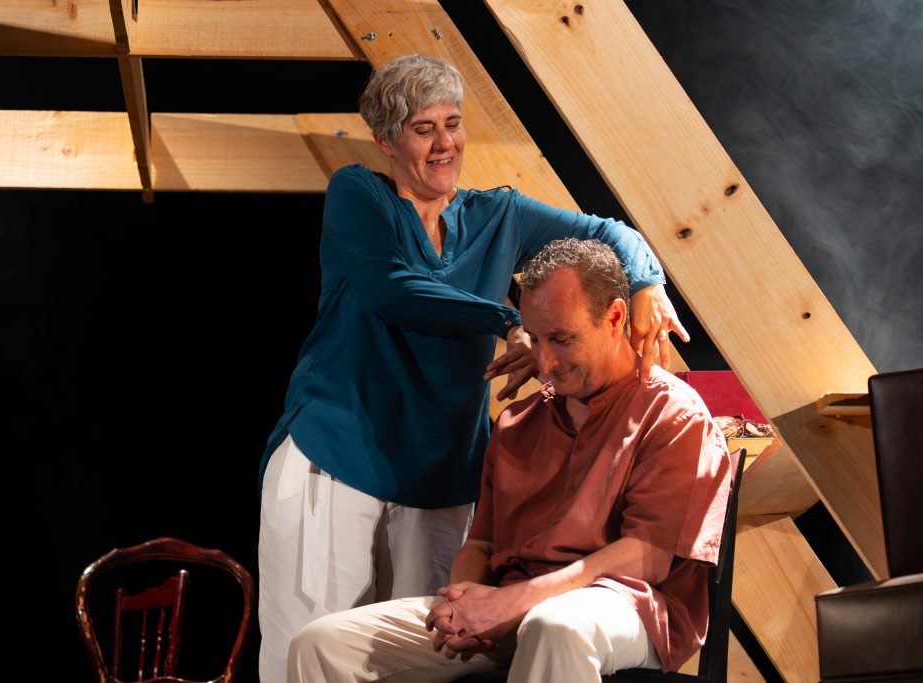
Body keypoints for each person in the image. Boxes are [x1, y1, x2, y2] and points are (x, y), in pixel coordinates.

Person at [258, 55, 690, 682]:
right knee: (312, 650)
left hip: (441, 474)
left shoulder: (499, 215)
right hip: (338, 455)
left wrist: (648, 283)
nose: (444, 143)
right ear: (386, 141)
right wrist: (510, 319)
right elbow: (394, 290)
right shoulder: (360, 195)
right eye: (422, 129)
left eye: (453, 123)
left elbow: (608, 234)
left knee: (428, 659)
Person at [287, 238, 733, 683]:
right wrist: (463, 603)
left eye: (561, 339)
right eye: (535, 340)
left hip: (627, 605)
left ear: (615, 318)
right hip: (512, 603)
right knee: (322, 644)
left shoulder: (674, 415)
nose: (545, 363)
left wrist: (513, 602)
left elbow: (647, 557)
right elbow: (481, 545)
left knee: (555, 625)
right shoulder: (517, 423)